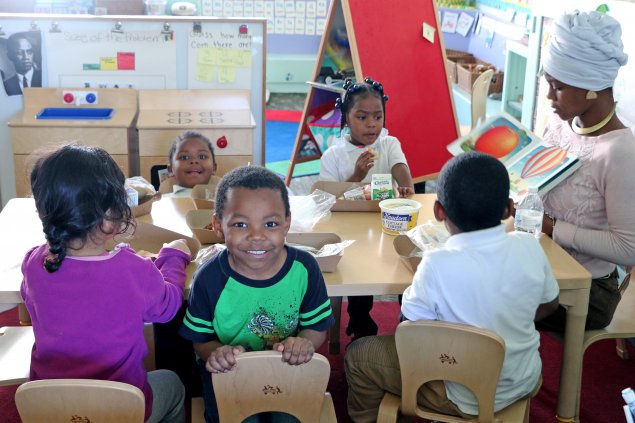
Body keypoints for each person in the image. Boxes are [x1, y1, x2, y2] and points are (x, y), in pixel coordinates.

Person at [344, 152, 560, 422]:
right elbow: (550, 304)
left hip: (460, 393)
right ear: (508, 208)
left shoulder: (436, 262)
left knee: (358, 355)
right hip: (522, 380)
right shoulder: (530, 246)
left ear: (438, 211)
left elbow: (410, 326)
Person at [20, 144, 191, 423]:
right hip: (121, 409)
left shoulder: (34, 262)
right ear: (111, 216)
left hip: (50, 408)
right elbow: (168, 306)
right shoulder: (132, 269)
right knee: (172, 384)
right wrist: (174, 256)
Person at [179, 165, 335, 423]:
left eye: (270, 224)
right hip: (230, 375)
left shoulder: (304, 269)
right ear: (218, 225)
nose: (257, 236)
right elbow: (201, 340)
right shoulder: (209, 279)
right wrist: (217, 353)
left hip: (288, 370)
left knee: (291, 419)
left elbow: (317, 328)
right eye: (240, 224)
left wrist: (305, 343)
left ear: (287, 223)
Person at [536, 10, 635, 331]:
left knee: (486, 296)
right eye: (548, 83)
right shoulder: (561, 121)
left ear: (592, 88)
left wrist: (553, 228)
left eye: (558, 87)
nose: (550, 97)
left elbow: (627, 249)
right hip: (541, 260)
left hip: (587, 288)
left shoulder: (619, 152)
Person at [319, 77, 415, 341]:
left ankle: (409, 315)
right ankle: (360, 322)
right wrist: (356, 174)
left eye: (377, 116)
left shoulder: (388, 144)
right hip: (349, 227)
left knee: (403, 264)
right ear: (346, 119)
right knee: (357, 270)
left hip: (387, 224)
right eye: (362, 117)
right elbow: (327, 199)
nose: (371, 124)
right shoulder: (334, 156)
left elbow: (400, 167)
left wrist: (406, 186)